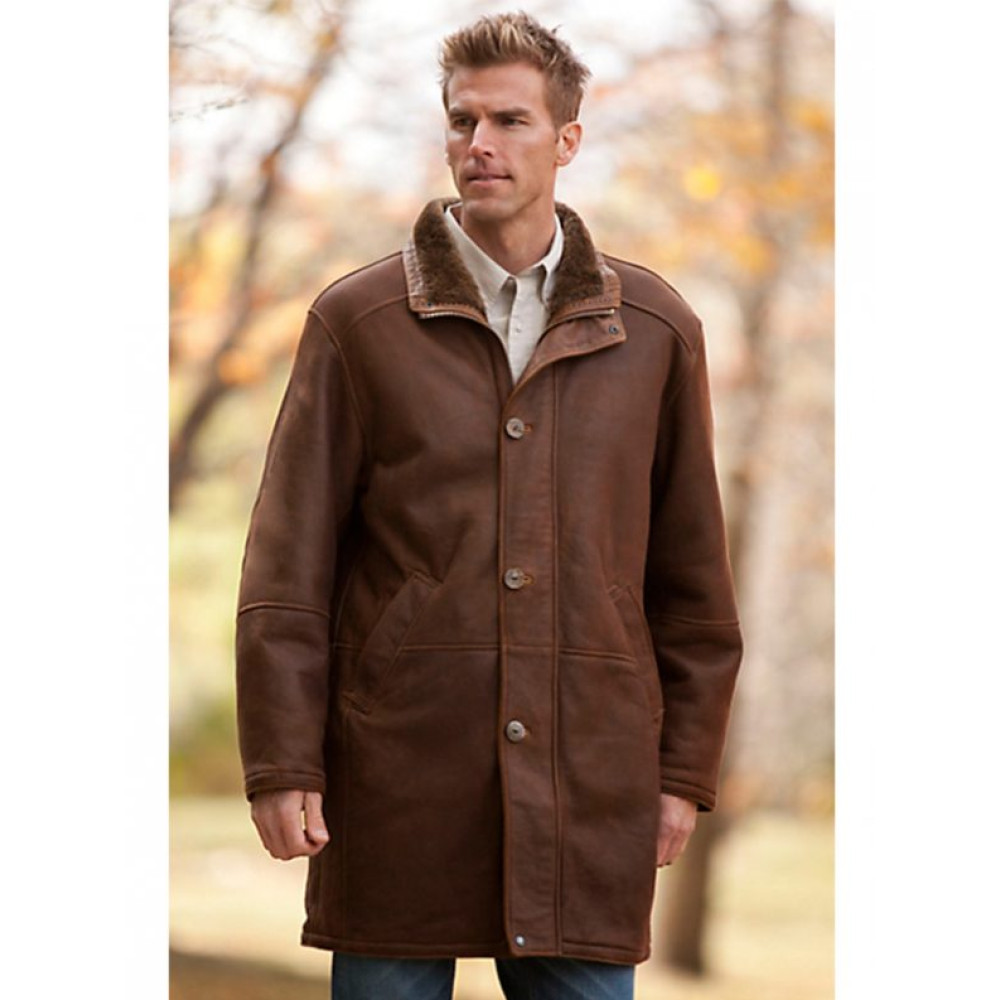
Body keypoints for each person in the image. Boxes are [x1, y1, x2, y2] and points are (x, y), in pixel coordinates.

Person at [235, 11, 743, 1000]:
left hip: (590, 787)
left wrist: (680, 772)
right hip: (397, 775)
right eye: (462, 120)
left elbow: (691, 584)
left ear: (566, 140)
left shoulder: (654, 330)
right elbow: (286, 569)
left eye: (510, 121)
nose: (480, 143)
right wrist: (282, 760)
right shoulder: (358, 323)